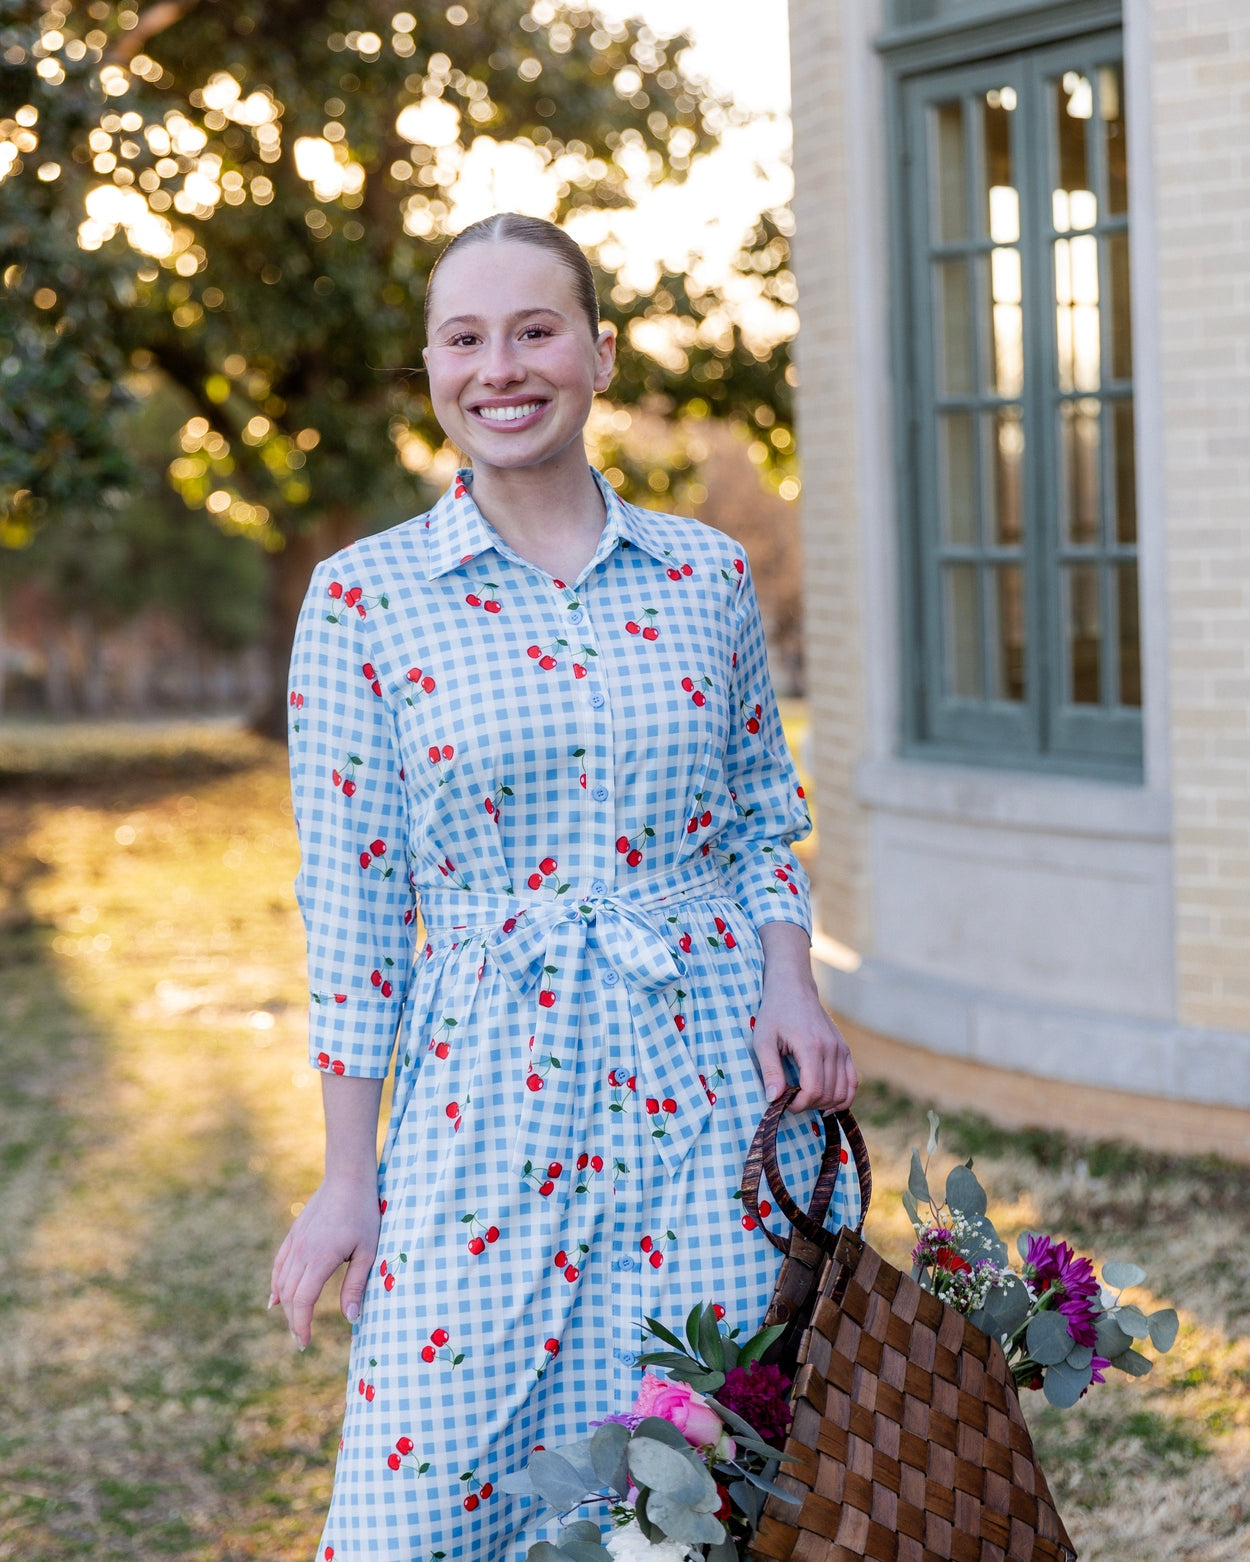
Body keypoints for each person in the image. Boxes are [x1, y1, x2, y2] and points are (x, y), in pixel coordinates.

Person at [270, 211, 859, 1562]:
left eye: (533, 330)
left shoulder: (703, 571)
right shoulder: (364, 600)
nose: (501, 366)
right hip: (491, 1094)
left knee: (715, 1467)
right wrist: (345, 1178)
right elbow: (355, 908)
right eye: (464, 338)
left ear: (595, 354)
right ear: (430, 368)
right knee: (420, 1499)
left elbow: (763, 809)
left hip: (709, 1075)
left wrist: (791, 978)